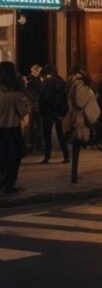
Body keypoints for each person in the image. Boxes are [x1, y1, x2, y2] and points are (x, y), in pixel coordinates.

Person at [65, 65, 98, 185]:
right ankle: (74, 176)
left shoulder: (76, 83)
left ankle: (74, 176)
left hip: (78, 119)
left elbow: (77, 101)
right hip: (80, 119)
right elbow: (80, 102)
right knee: (76, 147)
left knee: (76, 147)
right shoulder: (81, 83)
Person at [0, 61, 28, 194]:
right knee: (14, 157)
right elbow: (23, 112)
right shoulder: (16, 93)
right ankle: (8, 184)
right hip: (11, 128)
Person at [38, 65, 69, 164]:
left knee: (47, 135)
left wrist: (41, 111)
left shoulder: (46, 82)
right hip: (59, 111)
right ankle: (66, 155)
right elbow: (65, 99)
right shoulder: (61, 82)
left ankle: (47, 157)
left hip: (48, 111)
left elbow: (43, 98)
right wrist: (62, 112)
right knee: (61, 134)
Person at [23, 64, 43, 154]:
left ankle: (31, 144)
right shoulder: (35, 79)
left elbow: (26, 92)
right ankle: (37, 144)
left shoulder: (28, 79)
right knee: (38, 125)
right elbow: (40, 90)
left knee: (31, 125)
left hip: (31, 104)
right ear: (35, 70)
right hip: (36, 104)